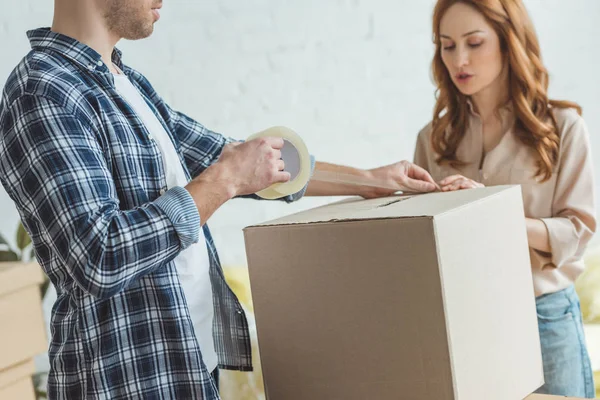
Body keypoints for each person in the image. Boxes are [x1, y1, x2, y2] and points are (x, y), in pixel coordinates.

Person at [0, 1, 438, 399]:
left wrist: (372, 180)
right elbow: (98, 254)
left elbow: (240, 158)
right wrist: (225, 181)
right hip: (125, 380)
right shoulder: (41, 92)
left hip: (187, 365)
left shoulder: (123, 80)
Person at [413, 0, 596, 397]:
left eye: (474, 42)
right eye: (447, 45)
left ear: (508, 42)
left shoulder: (563, 128)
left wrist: (491, 211)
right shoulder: (433, 140)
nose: (459, 59)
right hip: (463, 322)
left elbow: (578, 231)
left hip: (545, 316)